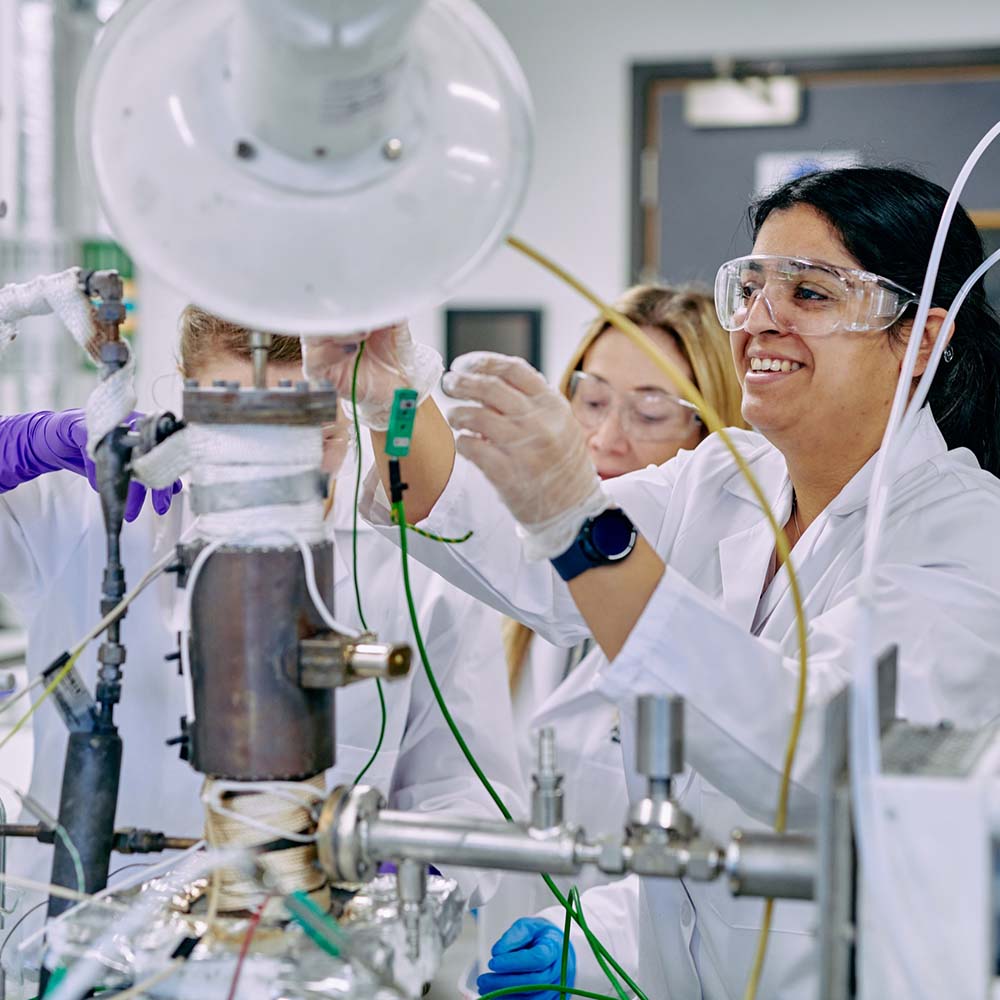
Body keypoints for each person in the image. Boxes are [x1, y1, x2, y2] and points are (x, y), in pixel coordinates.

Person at [309, 166, 1000, 999]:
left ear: (923, 339)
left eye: (810, 294)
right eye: (750, 287)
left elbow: (809, 754)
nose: (758, 321)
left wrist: (575, 519)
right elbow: (522, 551)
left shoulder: (969, 535)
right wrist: (393, 406)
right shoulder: (722, 477)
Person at [0, 306, 524, 976]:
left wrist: (400, 877)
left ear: (344, 413)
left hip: (309, 963)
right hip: (78, 955)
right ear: (186, 400)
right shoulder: (87, 511)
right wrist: (24, 444)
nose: (271, 447)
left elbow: (468, 794)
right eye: (236, 417)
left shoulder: (419, 574)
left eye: (303, 414)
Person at [488, 285, 743, 935]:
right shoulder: (521, 594)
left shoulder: (730, 608)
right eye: (592, 400)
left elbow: (724, 859)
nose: (605, 439)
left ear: (710, 442)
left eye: (650, 413)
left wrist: (594, 941)